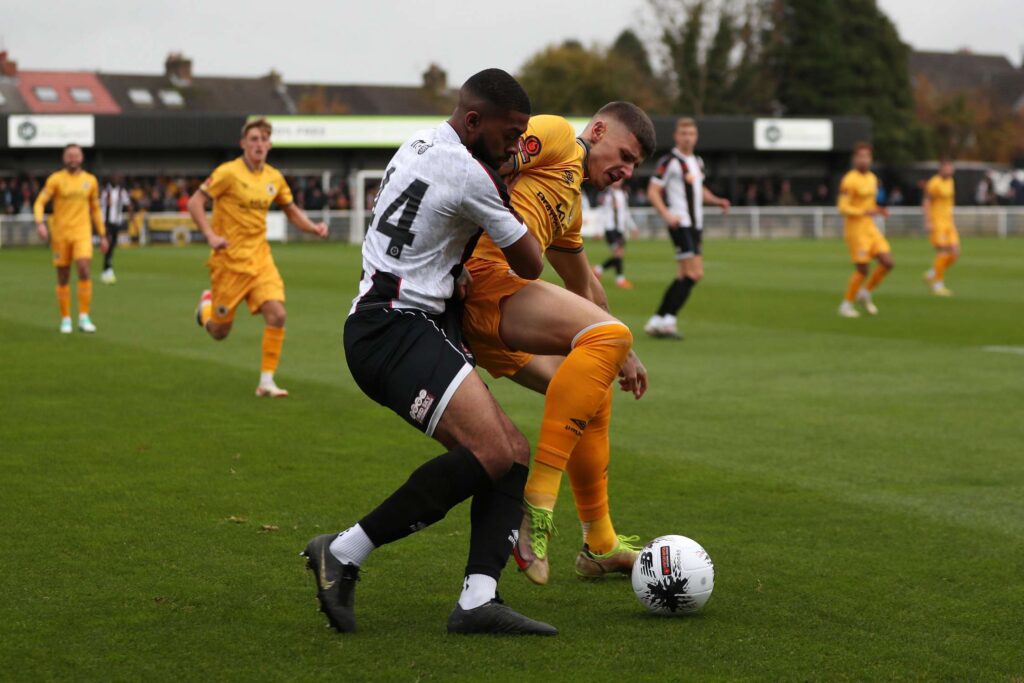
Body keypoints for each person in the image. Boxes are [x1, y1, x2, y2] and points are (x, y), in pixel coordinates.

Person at [302, 69, 555, 636]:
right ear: (473, 122)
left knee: (512, 452)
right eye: (511, 133)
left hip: (393, 321)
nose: (516, 145)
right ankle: (343, 551)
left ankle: (477, 599)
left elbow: (415, 224)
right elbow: (532, 263)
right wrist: (520, 188)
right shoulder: (472, 174)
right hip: (394, 329)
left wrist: (452, 267)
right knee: (492, 451)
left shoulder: (418, 141)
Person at [461, 103, 655, 585]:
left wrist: (624, 354)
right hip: (482, 284)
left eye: (634, 166)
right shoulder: (556, 136)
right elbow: (472, 169)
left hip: (496, 312)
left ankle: (600, 544)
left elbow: (585, 285)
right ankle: (537, 508)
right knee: (606, 340)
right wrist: (449, 255)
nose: (626, 172)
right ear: (600, 129)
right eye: (625, 156)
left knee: (592, 389)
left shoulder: (570, 203)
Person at [187, 117, 328, 397]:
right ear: (243, 144)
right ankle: (205, 308)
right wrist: (211, 236)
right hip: (229, 261)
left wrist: (312, 227)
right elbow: (195, 202)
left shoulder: (274, 177)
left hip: (261, 259)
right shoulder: (227, 173)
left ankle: (266, 382)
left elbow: (290, 209)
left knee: (277, 314)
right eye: (253, 139)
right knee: (219, 332)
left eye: (264, 140)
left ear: (270, 145)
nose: (259, 144)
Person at [644, 117, 731, 340]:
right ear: (676, 136)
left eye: (691, 133)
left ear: (696, 136)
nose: (688, 137)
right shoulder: (669, 161)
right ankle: (667, 320)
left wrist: (717, 200)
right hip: (680, 223)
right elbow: (653, 191)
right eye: (684, 133)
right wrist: (667, 214)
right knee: (694, 273)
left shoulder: (697, 162)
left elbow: (700, 190)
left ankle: (658, 320)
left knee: (684, 274)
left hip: (695, 225)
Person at [33, 144, 109, 334]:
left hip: (82, 232)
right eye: (69, 155)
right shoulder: (56, 179)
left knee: (84, 268)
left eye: (76, 155)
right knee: (63, 275)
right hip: (61, 234)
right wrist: (39, 222)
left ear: (82, 158)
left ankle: (84, 316)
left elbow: (96, 209)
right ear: (64, 158)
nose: (73, 159)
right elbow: (40, 202)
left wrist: (102, 234)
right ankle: (66, 318)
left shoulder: (90, 181)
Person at [836, 142, 893, 318]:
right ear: (855, 159)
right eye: (861, 156)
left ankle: (865, 292)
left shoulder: (872, 179)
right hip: (855, 229)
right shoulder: (849, 180)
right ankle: (846, 305)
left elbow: (869, 204)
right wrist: (864, 211)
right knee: (863, 269)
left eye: (867, 156)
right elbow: (842, 207)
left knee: (887, 262)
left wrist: (878, 209)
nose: (864, 159)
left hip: (870, 228)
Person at [922, 159, 959, 296]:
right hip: (937, 222)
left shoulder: (950, 182)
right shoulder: (934, 183)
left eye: (951, 167)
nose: (950, 170)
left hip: (948, 222)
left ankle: (932, 274)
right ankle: (938, 285)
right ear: (941, 168)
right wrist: (928, 221)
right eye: (948, 167)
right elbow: (926, 201)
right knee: (942, 252)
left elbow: (950, 201)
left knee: (955, 253)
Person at [593, 178, 636, 289]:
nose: (618, 181)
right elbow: (601, 213)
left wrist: (633, 227)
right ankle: (620, 280)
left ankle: (598, 269)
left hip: (620, 229)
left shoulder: (623, 194)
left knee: (619, 254)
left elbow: (625, 212)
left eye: (620, 180)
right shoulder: (607, 195)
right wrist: (598, 230)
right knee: (618, 253)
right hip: (610, 228)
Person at [100, 174, 133, 284]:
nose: (116, 179)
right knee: (109, 244)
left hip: (116, 222)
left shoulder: (121, 192)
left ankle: (107, 267)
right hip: (107, 222)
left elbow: (128, 204)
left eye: (118, 178)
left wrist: (131, 216)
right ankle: (107, 269)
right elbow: (99, 205)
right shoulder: (105, 191)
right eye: (114, 178)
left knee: (112, 245)